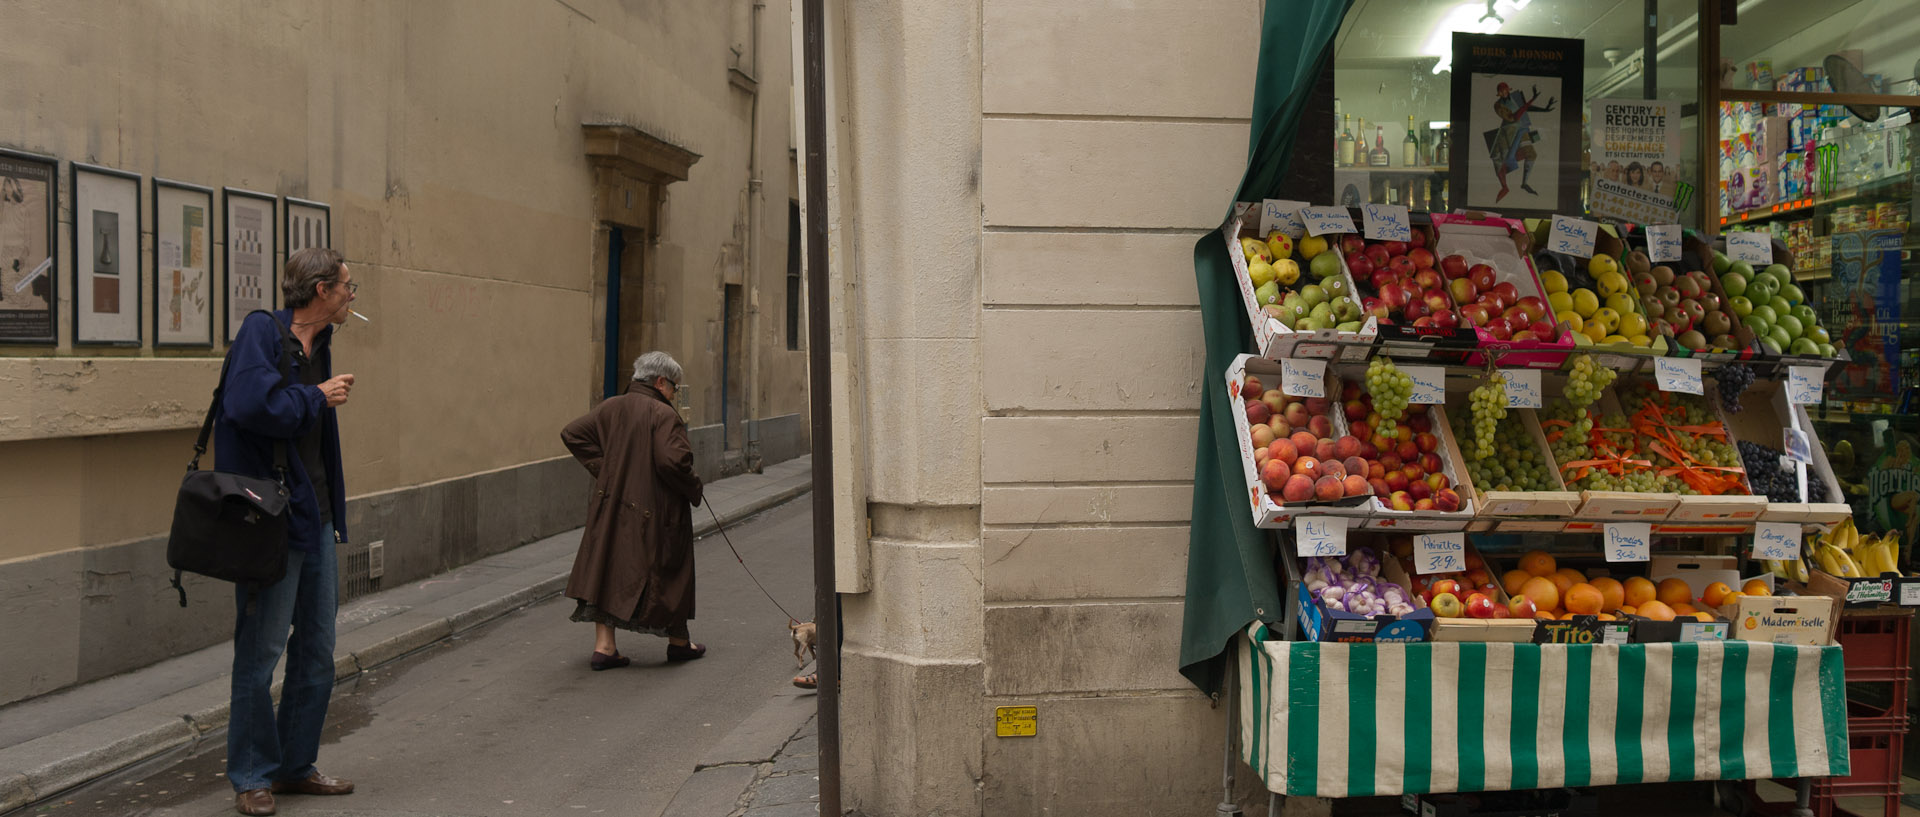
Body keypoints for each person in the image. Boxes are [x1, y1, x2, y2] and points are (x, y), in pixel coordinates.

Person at [220, 248, 358, 816]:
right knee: (261, 651)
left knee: (318, 651)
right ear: (321, 290)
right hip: (268, 519)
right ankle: (252, 774)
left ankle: (295, 766)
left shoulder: (319, 345)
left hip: (315, 516)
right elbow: (249, 405)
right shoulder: (262, 332)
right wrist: (316, 396)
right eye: (349, 286)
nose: (353, 295)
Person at [561, 351, 707, 668]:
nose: (674, 393)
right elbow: (673, 461)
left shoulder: (612, 405)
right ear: (659, 382)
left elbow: (573, 433)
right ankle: (679, 642)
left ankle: (605, 647)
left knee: (607, 565)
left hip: (612, 504)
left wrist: (608, 472)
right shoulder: (663, 414)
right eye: (674, 387)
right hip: (655, 509)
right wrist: (694, 486)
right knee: (670, 569)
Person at [1485, 81, 1556, 202]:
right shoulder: (1497, 105)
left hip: (1523, 129)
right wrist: (1531, 100)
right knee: (1499, 158)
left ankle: (1524, 183)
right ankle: (1505, 187)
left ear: (1508, 89)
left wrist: (1545, 109)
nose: (1504, 93)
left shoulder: (1516, 97)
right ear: (1499, 94)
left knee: (1531, 154)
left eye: (1505, 90)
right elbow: (1514, 117)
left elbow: (1526, 108)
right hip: (1508, 131)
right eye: (1501, 91)